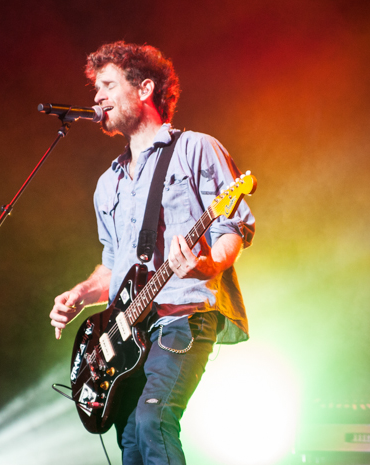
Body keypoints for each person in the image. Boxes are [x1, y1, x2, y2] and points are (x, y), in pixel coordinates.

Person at [49, 41, 255, 465]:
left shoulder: (196, 149)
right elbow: (114, 267)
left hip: (183, 316)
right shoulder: (108, 183)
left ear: (144, 89)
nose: (97, 97)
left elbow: (232, 227)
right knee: (130, 442)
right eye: (96, 88)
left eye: (108, 85)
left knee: (152, 420)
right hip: (130, 333)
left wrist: (207, 265)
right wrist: (81, 295)